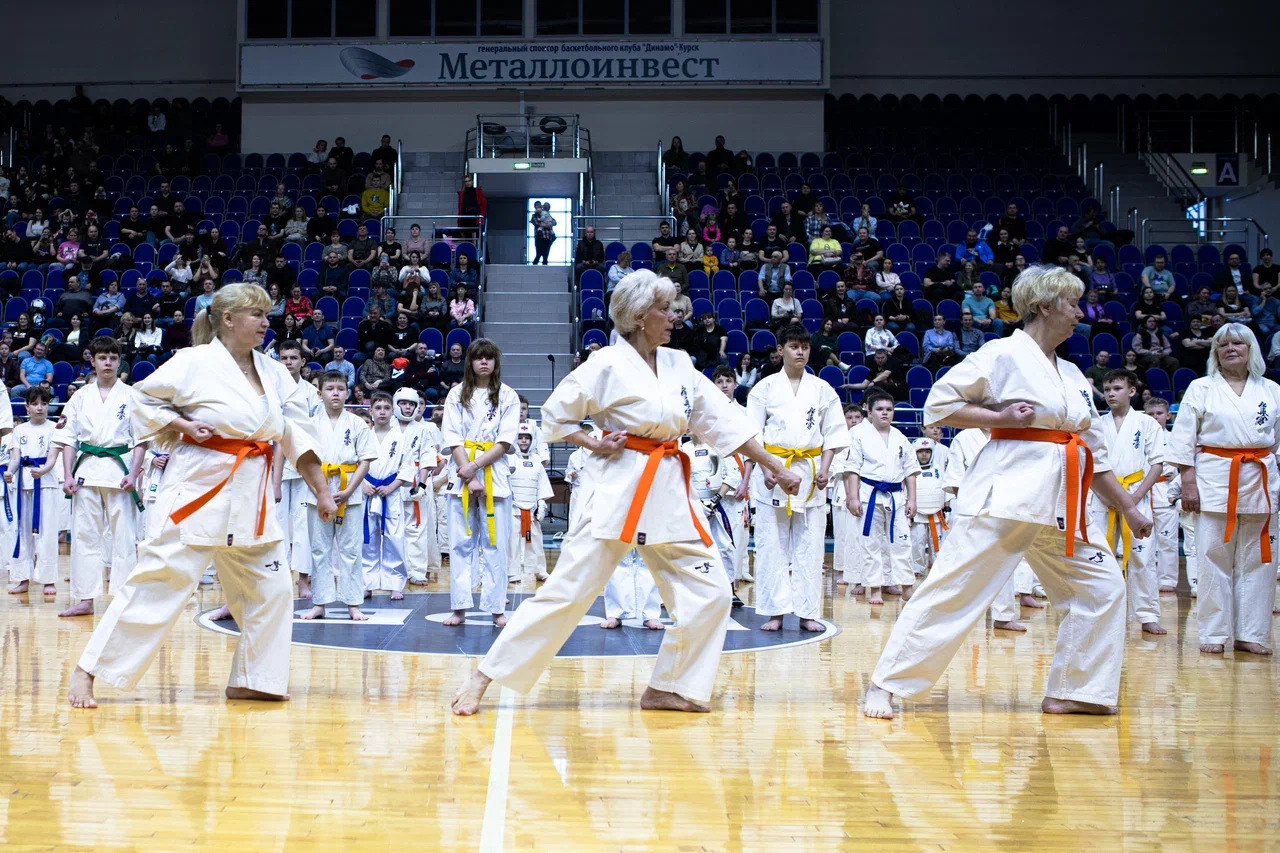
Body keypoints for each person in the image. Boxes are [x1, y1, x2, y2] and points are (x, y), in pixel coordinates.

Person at [450, 269, 802, 716]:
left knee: (713, 592)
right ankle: (484, 676)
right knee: (568, 592)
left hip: (669, 490)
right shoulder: (606, 365)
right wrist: (593, 442)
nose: (673, 316)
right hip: (618, 488)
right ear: (638, 316)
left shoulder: (679, 364)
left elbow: (722, 422)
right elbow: (556, 417)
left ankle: (669, 686)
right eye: (664, 309)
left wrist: (774, 465)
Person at [862, 265, 1153, 720]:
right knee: (954, 589)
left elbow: (1094, 453)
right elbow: (940, 405)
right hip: (1006, 494)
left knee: (1102, 587)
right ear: (1044, 305)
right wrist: (998, 418)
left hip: (1063, 502)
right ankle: (885, 684)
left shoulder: (1073, 375)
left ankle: (1075, 690)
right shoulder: (1001, 354)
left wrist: (1129, 508)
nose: (1080, 313)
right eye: (1072, 304)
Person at [67, 283, 336, 709]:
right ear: (228, 319)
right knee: (159, 583)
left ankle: (254, 679)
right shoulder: (193, 362)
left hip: (251, 492)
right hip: (198, 485)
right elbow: (142, 401)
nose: (266, 322)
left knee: (272, 590)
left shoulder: (275, 372)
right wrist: (183, 425)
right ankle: (89, 670)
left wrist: (322, 490)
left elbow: (296, 435)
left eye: (267, 315)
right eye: (257, 314)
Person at [1167, 323, 1280, 656]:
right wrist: (1188, 483)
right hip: (1214, 479)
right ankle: (1214, 632)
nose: (1230, 348)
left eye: (1237, 343)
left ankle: (1251, 633)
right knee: (1212, 556)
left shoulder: (1272, 390)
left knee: (1259, 560)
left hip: (1260, 478)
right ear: (1215, 352)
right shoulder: (1201, 388)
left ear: (1251, 349)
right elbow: (1183, 438)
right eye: (1223, 344)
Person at [745, 324, 848, 632]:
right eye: (793, 346)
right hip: (774, 468)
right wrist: (766, 469)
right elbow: (752, 433)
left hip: (809, 471)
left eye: (804, 346)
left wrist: (826, 469)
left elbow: (834, 432)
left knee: (811, 545)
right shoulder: (763, 388)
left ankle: (807, 612)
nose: (800, 352)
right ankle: (775, 611)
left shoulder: (822, 389)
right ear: (781, 350)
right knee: (771, 544)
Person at [54, 337, 144, 618]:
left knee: (124, 536)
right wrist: (67, 474)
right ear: (92, 361)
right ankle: (85, 598)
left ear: (119, 362)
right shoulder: (80, 397)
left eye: (113, 358)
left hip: (119, 472)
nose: (108, 363)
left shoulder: (132, 395)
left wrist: (134, 473)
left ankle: (124, 599)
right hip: (87, 472)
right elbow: (68, 439)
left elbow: (142, 440)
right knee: (84, 536)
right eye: (102, 358)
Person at [440, 339, 519, 626]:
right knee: (460, 544)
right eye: (478, 358)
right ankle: (459, 607)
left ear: (495, 362)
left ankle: (497, 608)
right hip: (462, 475)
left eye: (489, 358)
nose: (483, 362)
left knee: (495, 544)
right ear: (470, 362)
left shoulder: (507, 395)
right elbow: (452, 438)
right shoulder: (456, 394)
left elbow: (505, 441)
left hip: (493, 474)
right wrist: (469, 475)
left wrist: (474, 467)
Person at [1088, 369, 1166, 635]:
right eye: (1107, 389)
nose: (1111, 394)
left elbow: (1157, 464)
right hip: (1102, 496)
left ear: (1132, 391)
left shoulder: (1147, 423)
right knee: (1100, 555)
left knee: (1142, 556)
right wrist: (1104, 494)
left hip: (1135, 492)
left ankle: (1147, 614)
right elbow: (1088, 463)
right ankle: (1100, 611)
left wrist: (1134, 499)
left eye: (1117, 388)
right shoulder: (1096, 424)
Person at [299, 371, 376, 622]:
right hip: (317, 489)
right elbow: (303, 462)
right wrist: (318, 491)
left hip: (348, 491)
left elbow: (365, 460)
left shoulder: (357, 423)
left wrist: (350, 490)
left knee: (351, 550)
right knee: (319, 549)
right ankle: (319, 603)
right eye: (330, 389)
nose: (335, 393)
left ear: (347, 393)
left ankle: (353, 603)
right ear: (319, 393)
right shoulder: (310, 423)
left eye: (340, 389)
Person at [843, 389, 920, 605]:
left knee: (903, 542)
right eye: (879, 409)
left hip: (897, 496)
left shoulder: (900, 438)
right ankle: (875, 589)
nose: (885, 413)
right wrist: (852, 497)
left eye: (889, 409)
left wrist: (912, 500)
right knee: (871, 544)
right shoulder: (858, 434)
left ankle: (907, 587)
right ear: (869, 412)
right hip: (869, 495)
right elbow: (852, 468)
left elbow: (911, 471)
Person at [270, 340, 322, 598]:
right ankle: (278, 579)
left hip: (303, 462)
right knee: (276, 525)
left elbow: (315, 429)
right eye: (284, 358)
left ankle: (303, 580)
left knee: (303, 525)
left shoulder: (311, 393)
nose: (288, 362)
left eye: (293, 358)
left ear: (303, 361)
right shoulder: (270, 388)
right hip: (274, 463)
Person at [5, 386, 63, 598]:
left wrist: (43, 470)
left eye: (44, 404)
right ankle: (22, 578)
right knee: (22, 531)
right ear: (27, 407)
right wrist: (10, 472)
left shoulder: (55, 428)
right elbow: (15, 459)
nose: (40, 408)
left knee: (47, 531)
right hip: (24, 483)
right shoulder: (19, 430)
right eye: (35, 404)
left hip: (46, 483)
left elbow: (52, 458)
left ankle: (48, 579)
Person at [361, 391, 414, 600]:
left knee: (394, 537)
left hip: (390, 492)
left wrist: (392, 486)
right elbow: (355, 463)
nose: (382, 412)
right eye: (378, 408)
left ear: (393, 411)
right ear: (370, 411)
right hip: (368, 490)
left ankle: (395, 583)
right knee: (367, 538)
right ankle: (367, 583)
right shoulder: (363, 435)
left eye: (386, 408)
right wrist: (362, 484)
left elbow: (407, 467)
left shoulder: (401, 438)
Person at [1143, 397, 1180, 594]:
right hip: (1142, 493)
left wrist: (1176, 483)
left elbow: (1184, 467)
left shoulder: (1175, 439)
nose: (1155, 417)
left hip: (1166, 492)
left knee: (1168, 540)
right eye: (1151, 414)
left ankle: (1167, 579)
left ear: (1168, 416)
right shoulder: (1139, 438)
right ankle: (1145, 579)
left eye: (1159, 414)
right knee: (1143, 541)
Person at [507, 425, 553, 582]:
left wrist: (541, 504)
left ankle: (539, 570)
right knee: (512, 542)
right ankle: (512, 572)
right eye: (520, 438)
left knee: (535, 541)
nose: (523, 441)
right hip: (514, 508)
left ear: (532, 440)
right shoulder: (509, 459)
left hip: (532, 509)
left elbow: (542, 485)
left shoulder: (537, 460)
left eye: (527, 438)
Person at [908, 437, 948, 581]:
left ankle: (937, 568)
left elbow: (945, 490)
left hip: (936, 514)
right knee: (917, 542)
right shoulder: (910, 470)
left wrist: (947, 509)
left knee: (936, 543)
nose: (924, 454)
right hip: (917, 515)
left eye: (927, 451)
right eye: (920, 452)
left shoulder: (938, 469)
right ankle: (917, 568)